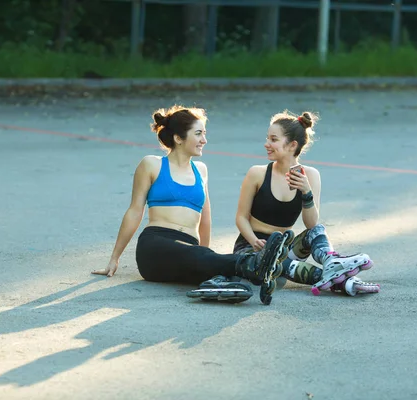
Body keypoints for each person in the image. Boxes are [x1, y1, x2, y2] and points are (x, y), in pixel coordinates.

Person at [91, 105, 294, 305]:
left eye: (204, 134)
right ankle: (255, 264)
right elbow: (135, 211)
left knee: (213, 267)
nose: (204, 140)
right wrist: (114, 258)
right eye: (198, 134)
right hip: (155, 247)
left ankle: (236, 278)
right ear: (178, 138)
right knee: (207, 260)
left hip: (190, 250)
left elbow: (205, 220)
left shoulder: (201, 170)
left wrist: (207, 259)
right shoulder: (152, 164)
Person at [232, 110, 380, 297]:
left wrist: (306, 193)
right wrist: (253, 241)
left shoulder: (310, 175)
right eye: (267, 138)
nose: (266, 144)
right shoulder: (257, 173)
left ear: (292, 145)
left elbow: (311, 224)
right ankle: (344, 282)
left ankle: (331, 263)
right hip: (251, 248)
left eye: (273, 139)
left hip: (284, 247)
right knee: (274, 260)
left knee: (316, 231)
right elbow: (240, 217)